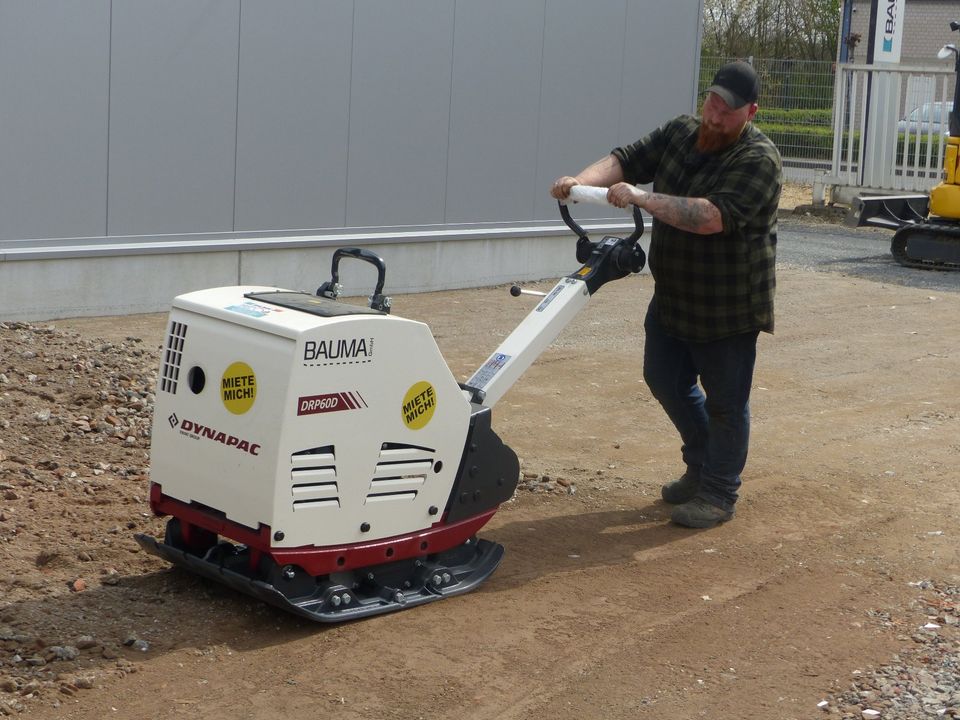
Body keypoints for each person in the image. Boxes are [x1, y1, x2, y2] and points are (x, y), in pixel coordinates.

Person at [550, 60, 782, 529]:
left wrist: (641, 198)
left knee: (725, 403)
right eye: (712, 104)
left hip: (729, 308)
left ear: (750, 112)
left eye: (728, 112)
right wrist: (579, 183)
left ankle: (718, 493)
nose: (715, 117)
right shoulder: (682, 132)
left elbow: (711, 216)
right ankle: (701, 466)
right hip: (675, 295)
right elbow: (627, 157)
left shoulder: (759, 160)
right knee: (664, 380)